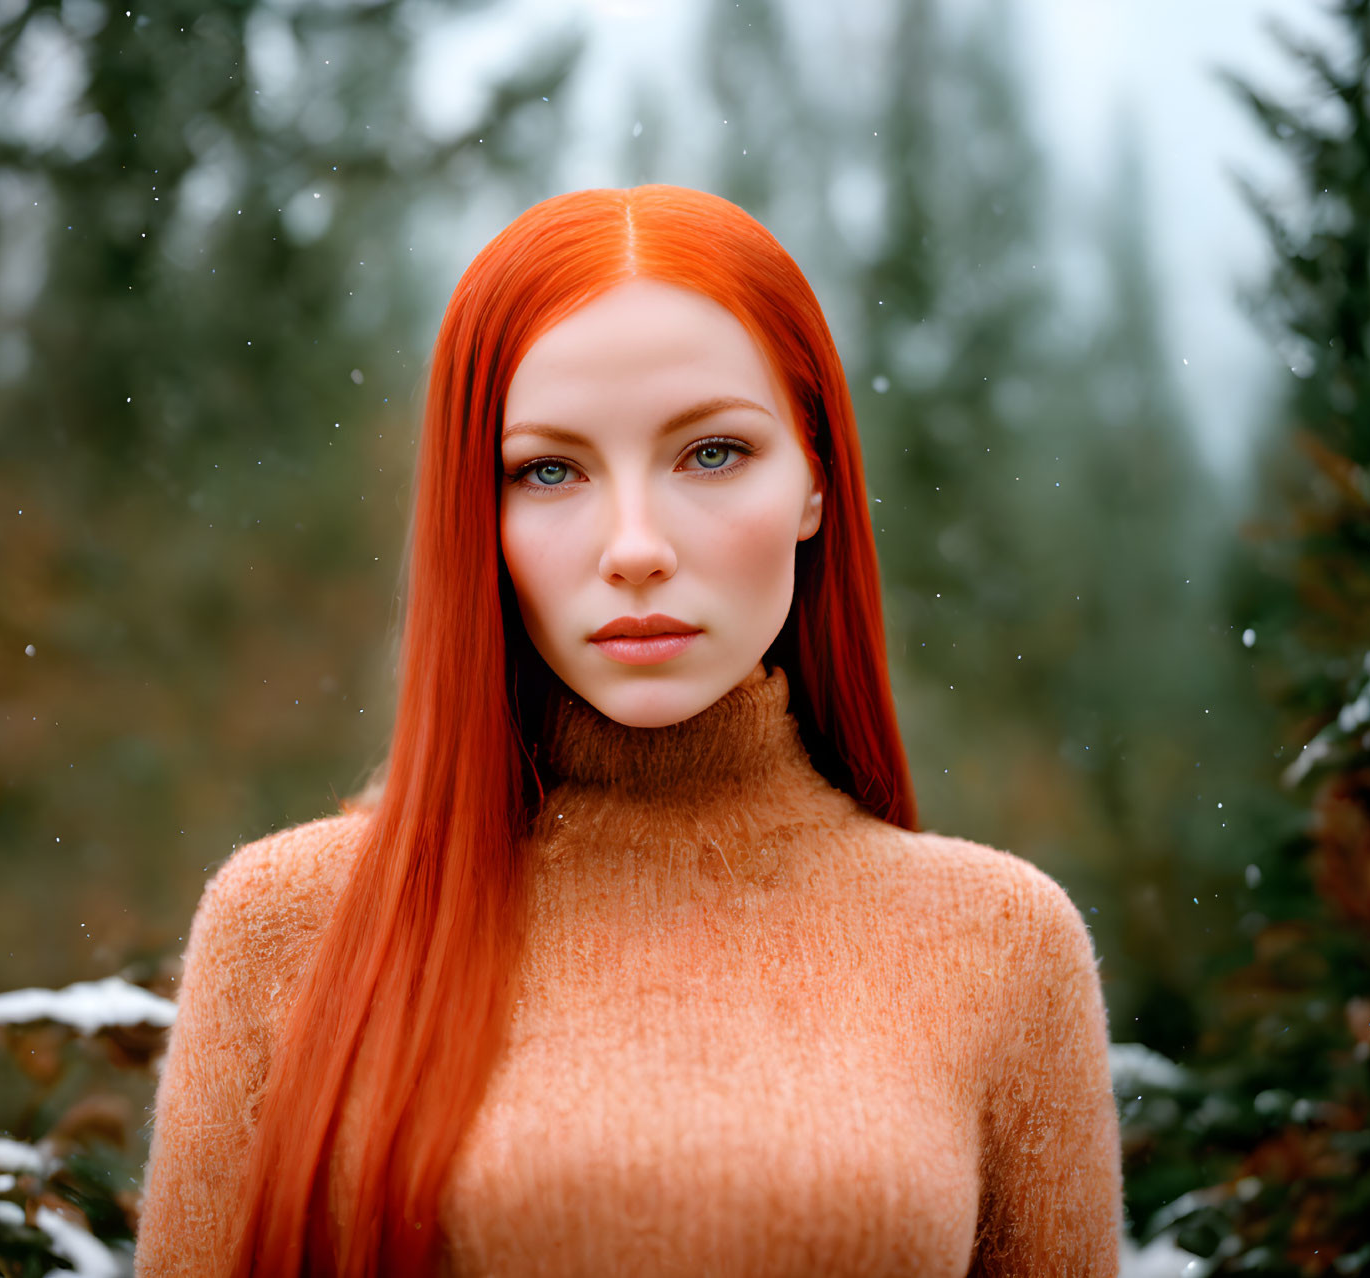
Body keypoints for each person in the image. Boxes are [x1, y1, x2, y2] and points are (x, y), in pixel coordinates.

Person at [134, 184, 1123, 1277]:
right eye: (547, 470)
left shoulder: (999, 941)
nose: (634, 546)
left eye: (710, 454)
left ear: (816, 483)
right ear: (479, 512)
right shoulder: (284, 926)